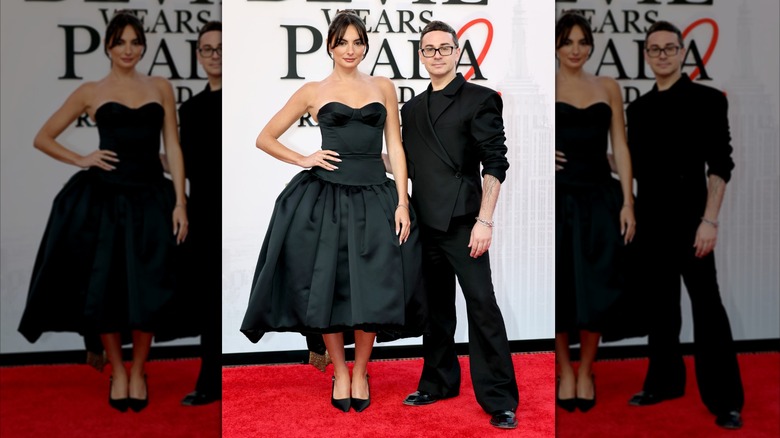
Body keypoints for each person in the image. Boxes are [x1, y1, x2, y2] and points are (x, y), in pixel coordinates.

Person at [239, 10, 426, 413]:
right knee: (329, 287)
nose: (350, 50)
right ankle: (340, 371)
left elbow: (395, 146)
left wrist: (403, 201)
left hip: (376, 196)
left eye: (358, 42)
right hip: (327, 199)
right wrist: (303, 158)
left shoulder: (383, 86)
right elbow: (264, 137)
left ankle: (361, 371)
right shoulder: (313, 91)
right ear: (329, 46)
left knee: (372, 287)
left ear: (366, 46)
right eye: (342, 42)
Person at [17, 10, 189, 413]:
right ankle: (118, 369)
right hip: (105, 201)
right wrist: (82, 158)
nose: (128, 49)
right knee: (108, 289)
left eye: (135, 42)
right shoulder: (90, 91)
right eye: (120, 42)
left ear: (143, 46)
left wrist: (181, 201)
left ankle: (139, 369)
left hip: (152, 197)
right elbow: (43, 137)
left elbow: (173, 145)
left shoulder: (160, 86)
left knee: (149, 287)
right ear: (108, 46)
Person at [397, 20, 518, 429]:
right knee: (435, 309)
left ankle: (500, 398)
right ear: (421, 55)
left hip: (466, 222)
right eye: (429, 49)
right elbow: (407, 165)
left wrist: (485, 220)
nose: (437, 55)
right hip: (424, 222)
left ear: (457, 52)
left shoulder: (480, 99)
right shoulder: (411, 109)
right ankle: (437, 382)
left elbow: (495, 162)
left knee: (482, 305)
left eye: (444, 48)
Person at [625, 20, 744, 430]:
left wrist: (710, 220)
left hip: (694, 223)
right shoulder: (638, 109)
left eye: (669, 48)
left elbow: (721, 164)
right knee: (661, 309)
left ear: (681, 52)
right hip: (650, 223)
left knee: (708, 308)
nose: (662, 55)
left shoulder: (708, 100)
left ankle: (726, 401)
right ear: (646, 56)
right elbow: (633, 166)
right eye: (654, 49)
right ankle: (664, 383)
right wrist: (579, 155)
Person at [553, 12, 636, 413]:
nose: (576, 49)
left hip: (602, 198)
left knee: (598, 285)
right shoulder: (545, 84)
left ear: (591, 46)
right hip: (558, 200)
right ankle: (564, 371)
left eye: (583, 42)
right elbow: (515, 137)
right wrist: (538, 155)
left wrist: (629, 202)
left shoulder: (607, 86)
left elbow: (620, 145)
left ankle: (586, 369)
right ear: (556, 45)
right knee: (562, 287)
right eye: (568, 41)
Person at [177, 20, 222, 406]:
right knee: (208, 298)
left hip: (236, 208)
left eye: (221, 48)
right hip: (203, 212)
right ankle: (209, 379)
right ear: (198, 56)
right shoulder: (190, 109)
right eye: (208, 49)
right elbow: (186, 165)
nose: (215, 55)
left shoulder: (241, 102)